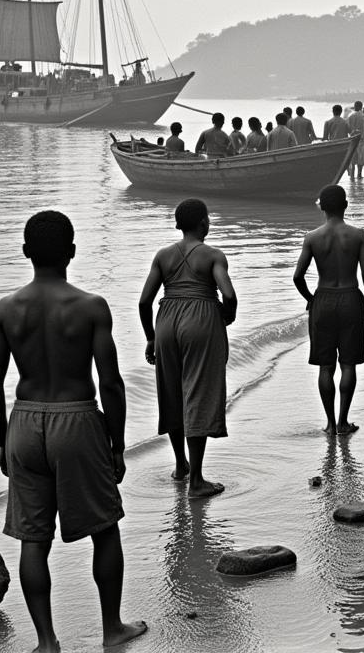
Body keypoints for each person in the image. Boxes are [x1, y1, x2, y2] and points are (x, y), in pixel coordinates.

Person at [0, 211, 147, 652]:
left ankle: (46, 642)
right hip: (75, 418)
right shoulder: (90, 307)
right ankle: (112, 628)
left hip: (24, 419)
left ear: (25, 253)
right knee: (105, 529)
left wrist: (3, 440)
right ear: (72, 252)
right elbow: (110, 382)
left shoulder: (6, 309)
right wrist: (116, 443)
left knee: (33, 539)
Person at [138, 198, 237, 500]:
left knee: (172, 393)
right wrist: (226, 316)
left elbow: (144, 302)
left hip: (166, 318)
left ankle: (180, 466)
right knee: (198, 393)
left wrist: (151, 337)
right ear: (204, 223)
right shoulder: (213, 255)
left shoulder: (163, 255)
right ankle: (196, 481)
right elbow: (229, 294)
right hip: (201, 318)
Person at [293, 185, 364, 434]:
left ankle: (330, 424)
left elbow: (298, 276)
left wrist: (311, 298)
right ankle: (343, 421)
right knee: (348, 364)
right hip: (351, 298)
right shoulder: (357, 235)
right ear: (346, 205)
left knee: (325, 367)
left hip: (324, 299)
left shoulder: (312, 237)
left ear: (321, 207)